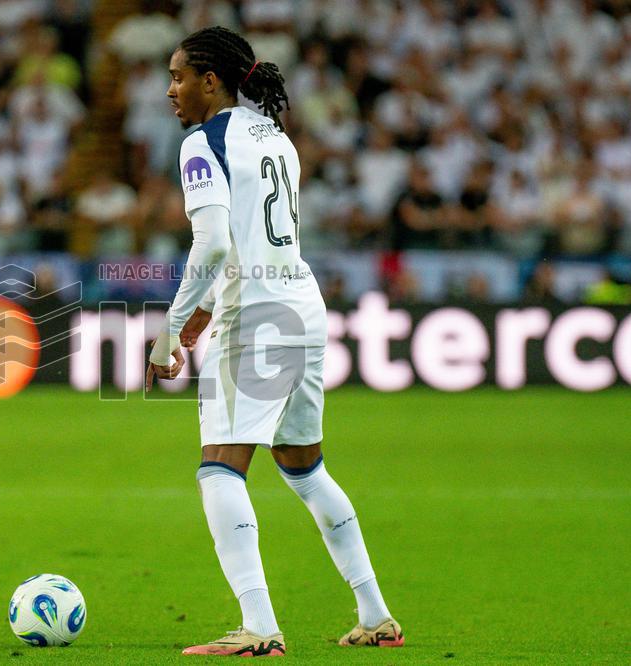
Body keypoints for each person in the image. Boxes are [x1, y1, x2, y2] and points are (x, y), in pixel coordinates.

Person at [145, 26, 402, 657]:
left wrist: (172, 325)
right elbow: (254, 237)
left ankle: (259, 627)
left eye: (179, 77)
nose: (170, 90)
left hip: (258, 318)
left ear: (210, 80)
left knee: (219, 468)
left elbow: (213, 242)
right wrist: (209, 305)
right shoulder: (275, 136)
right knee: (304, 468)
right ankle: (375, 615)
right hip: (301, 305)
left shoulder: (202, 142)